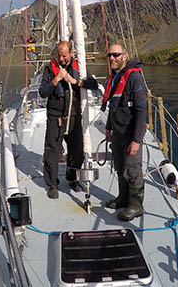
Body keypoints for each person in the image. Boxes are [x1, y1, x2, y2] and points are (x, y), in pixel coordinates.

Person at [38, 41, 98, 199]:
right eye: (59, 55)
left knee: (77, 150)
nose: (61, 58)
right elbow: (43, 92)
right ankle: (52, 184)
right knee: (52, 151)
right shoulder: (50, 68)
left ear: (71, 53)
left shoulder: (80, 67)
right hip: (55, 117)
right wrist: (56, 80)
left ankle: (72, 178)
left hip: (73, 116)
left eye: (64, 55)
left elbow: (94, 84)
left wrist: (76, 81)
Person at [102, 43, 147, 221]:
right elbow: (114, 107)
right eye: (110, 55)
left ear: (124, 56)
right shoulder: (115, 78)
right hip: (118, 133)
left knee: (132, 169)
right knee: (120, 167)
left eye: (116, 55)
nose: (112, 58)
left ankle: (136, 206)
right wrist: (108, 127)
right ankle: (123, 198)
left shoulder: (134, 78)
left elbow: (141, 110)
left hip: (130, 134)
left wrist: (136, 140)